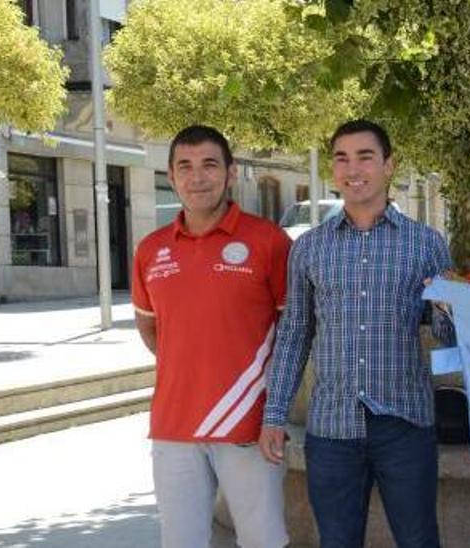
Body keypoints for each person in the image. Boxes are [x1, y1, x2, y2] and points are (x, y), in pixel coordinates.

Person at [259, 120, 454, 547]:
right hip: (331, 429)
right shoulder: (309, 247)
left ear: (389, 165)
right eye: (342, 158)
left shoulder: (426, 245)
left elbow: (446, 335)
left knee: (420, 540)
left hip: (405, 423)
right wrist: (275, 415)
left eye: (365, 156)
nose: (353, 168)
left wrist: (451, 308)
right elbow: (294, 333)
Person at [131, 125, 291, 548]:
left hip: (249, 425)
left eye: (209, 165)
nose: (197, 177)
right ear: (171, 174)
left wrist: (270, 407)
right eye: (185, 166)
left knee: (263, 541)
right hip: (172, 425)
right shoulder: (151, 249)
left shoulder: (269, 241)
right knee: (180, 541)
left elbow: (293, 331)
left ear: (230, 172)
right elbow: (149, 325)